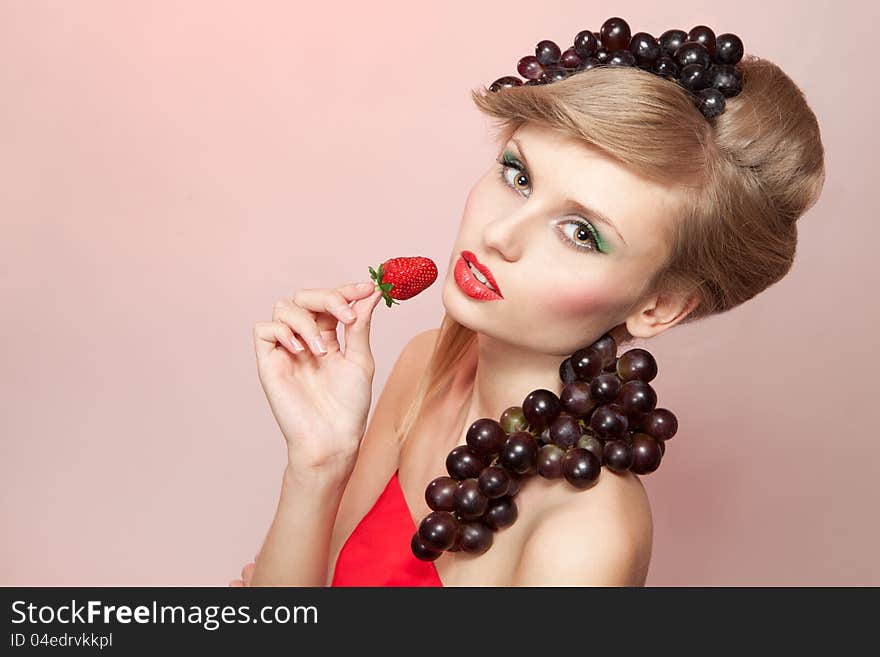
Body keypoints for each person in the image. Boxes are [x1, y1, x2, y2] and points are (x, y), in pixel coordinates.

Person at [229, 48, 825, 586]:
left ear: (658, 307)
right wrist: (318, 462)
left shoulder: (587, 538)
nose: (499, 234)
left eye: (580, 232)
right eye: (518, 176)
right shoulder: (426, 367)